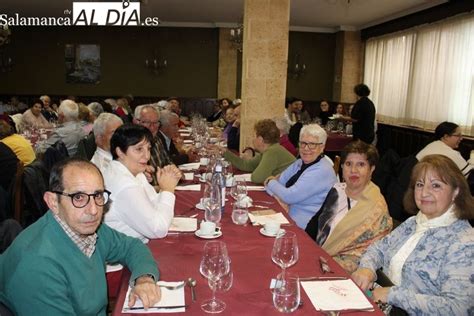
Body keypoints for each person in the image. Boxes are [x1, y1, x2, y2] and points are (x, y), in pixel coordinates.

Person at [0, 158, 163, 314]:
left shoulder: (88, 228)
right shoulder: (37, 266)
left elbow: (131, 246)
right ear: (53, 202)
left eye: (98, 195)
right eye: (78, 197)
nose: (93, 210)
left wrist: (144, 278)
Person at [352, 155, 474, 315]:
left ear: (456, 192)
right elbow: (379, 249)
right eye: (420, 184)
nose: (424, 193)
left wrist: (393, 295)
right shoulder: (413, 223)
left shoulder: (464, 243)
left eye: (436, 185)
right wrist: (367, 268)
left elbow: (458, 308)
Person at [305, 141, 392, 273]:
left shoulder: (376, 206)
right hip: (315, 255)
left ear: (371, 169)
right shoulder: (337, 189)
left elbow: (372, 252)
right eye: (348, 164)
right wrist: (304, 247)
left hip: (344, 269)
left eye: (361, 165)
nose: (353, 170)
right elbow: (315, 223)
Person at [103, 124, 181, 242]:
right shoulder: (125, 185)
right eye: (139, 149)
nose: (147, 156)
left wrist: (166, 181)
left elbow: (154, 205)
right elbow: (158, 230)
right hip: (126, 254)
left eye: (148, 149)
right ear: (120, 152)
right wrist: (167, 190)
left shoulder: (134, 172)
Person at [264, 124, 336, 229]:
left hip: (304, 225)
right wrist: (278, 198)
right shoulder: (299, 163)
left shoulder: (322, 170)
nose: (306, 148)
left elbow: (289, 196)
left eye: (312, 144)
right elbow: (277, 187)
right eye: (303, 143)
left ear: (322, 147)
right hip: (285, 216)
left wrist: (270, 181)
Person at [224, 119, 296, 184]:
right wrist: (224, 152)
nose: (253, 139)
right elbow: (246, 165)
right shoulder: (270, 150)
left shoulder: (272, 151)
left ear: (260, 139)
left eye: (254, 136)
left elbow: (257, 178)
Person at [134, 106, 174, 185]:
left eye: (155, 122)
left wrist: (175, 170)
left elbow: (168, 162)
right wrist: (164, 189)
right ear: (136, 122)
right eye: (147, 122)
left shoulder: (157, 139)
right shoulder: (132, 147)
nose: (152, 127)